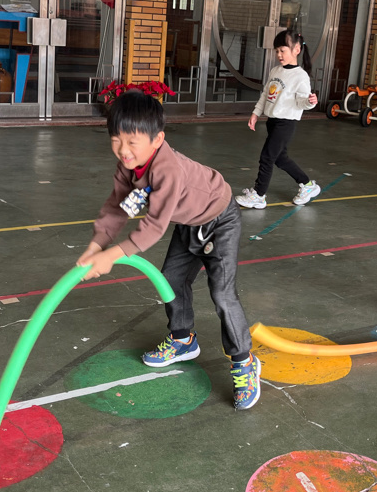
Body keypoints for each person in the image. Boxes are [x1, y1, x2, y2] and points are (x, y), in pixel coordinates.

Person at [76, 91, 261, 410]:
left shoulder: (167, 169)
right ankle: (182, 339)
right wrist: (96, 246)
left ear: (157, 139)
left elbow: (153, 227)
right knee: (171, 279)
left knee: (222, 293)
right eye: (116, 140)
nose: (123, 150)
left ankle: (244, 362)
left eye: (132, 142)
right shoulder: (128, 167)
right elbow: (117, 208)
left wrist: (110, 256)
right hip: (189, 222)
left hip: (220, 219)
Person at [235, 29, 320, 210]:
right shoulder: (275, 70)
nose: (279, 55)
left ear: (296, 49)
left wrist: (310, 102)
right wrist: (256, 113)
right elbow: (266, 94)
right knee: (280, 158)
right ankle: (307, 185)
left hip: (286, 122)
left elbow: (301, 102)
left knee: (267, 157)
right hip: (272, 121)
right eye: (277, 51)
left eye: (283, 50)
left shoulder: (300, 76)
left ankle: (259, 195)